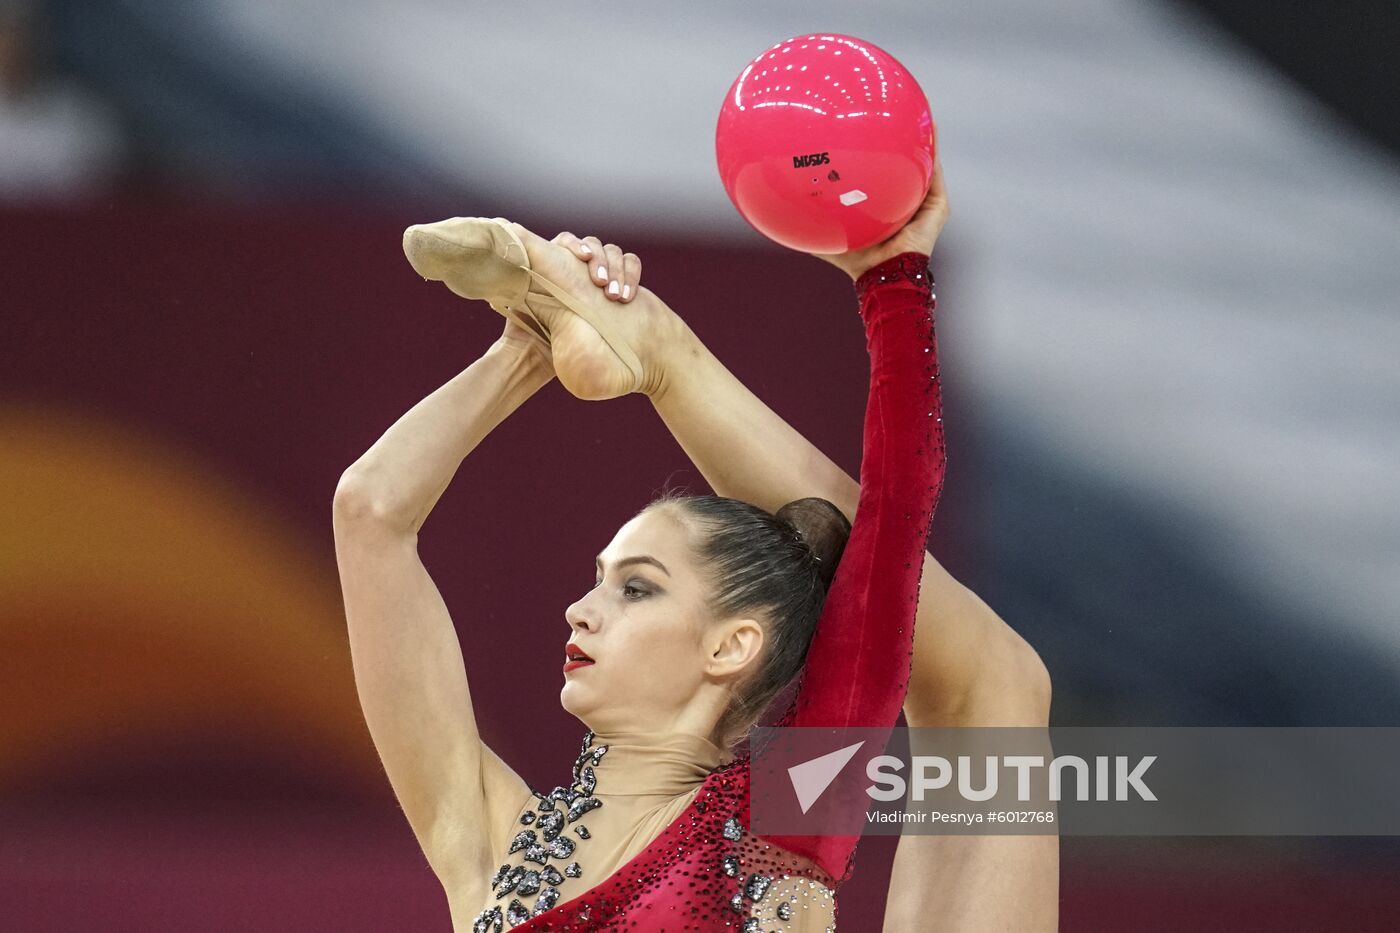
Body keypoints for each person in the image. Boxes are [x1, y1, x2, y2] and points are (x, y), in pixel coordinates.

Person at [334, 160, 1056, 931]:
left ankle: (661, 352)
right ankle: (645, 345)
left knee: (991, 688)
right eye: (602, 581)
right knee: (992, 689)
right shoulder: (493, 842)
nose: (579, 610)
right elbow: (369, 513)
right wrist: (524, 349)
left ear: (732, 645)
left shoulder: (787, 807)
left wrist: (893, 279)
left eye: (635, 587)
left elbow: (894, 520)